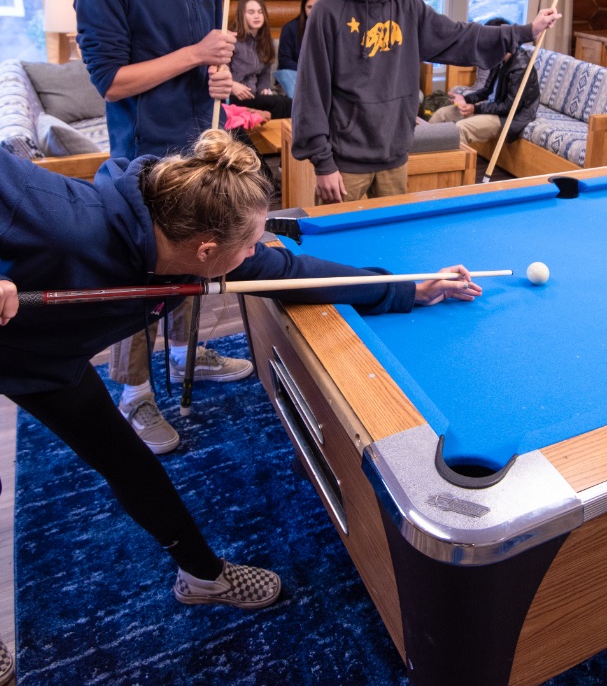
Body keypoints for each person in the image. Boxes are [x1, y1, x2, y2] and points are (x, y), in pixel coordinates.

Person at [0, 129, 482, 612]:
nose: (256, 252)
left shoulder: (203, 247)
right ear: (208, 250)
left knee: (128, 461)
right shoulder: (62, 219)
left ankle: (203, 577)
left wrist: (405, 289)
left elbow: (294, 272)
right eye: (250, 245)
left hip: (45, 361)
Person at [74, 0, 250, 454]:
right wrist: (198, 54)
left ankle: (187, 354)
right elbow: (111, 81)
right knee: (140, 277)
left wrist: (219, 82)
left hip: (199, 150)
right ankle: (133, 395)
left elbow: (203, 72)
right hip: (141, 163)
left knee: (193, 264)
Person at [292, 0, 561, 204]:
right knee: (337, 247)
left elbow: (460, 36)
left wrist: (524, 31)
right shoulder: (328, 10)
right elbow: (311, 90)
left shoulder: (408, 7)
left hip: (395, 155)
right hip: (344, 162)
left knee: (394, 242)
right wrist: (323, 162)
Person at [428, 36, 541, 148]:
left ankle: (452, 165)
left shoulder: (521, 67)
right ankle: (421, 158)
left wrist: (475, 108)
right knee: (441, 114)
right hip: (494, 108)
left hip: (509, 116)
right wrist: (466, 99)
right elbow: (487, 91)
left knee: (461, 128)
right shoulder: (499, 60)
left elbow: (509, 107)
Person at [230, 0, 293, 120]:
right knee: (279, 103)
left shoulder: (265, 41)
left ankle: (285, 138)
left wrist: (264, 89)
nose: (257, 16)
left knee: (289, 103)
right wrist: (232, 85)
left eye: (260, 12)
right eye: (251, 12)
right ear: (242, 15)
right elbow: (220, 69)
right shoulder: (232, 39)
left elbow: (264, 74)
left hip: (253, 95)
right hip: (234, 95)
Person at [274, 0, 320, 97]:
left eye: (317, 7)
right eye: (310, 7)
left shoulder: (331, 28)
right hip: (294, 74)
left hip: (321, 76)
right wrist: (308, 71)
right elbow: (284, 61)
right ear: (303, 8)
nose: (313, 11)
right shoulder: (290, 28)